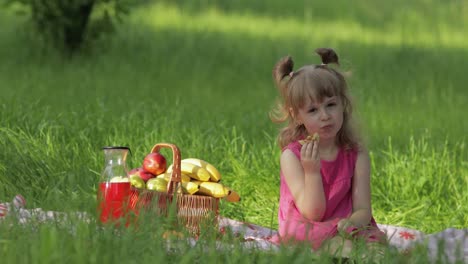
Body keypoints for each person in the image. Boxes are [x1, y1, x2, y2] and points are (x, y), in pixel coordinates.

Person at [268, 48, 386, 255]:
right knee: (309, 236)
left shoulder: (356, 154)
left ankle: (351, 251)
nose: (325, 116)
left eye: (331, 105)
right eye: (313, 110)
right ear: (297, 116)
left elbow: (363, 210)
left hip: (346, 225)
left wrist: (349, 225)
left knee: (373, 240)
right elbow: (313, 213)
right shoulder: (292, 157)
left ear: (343, 105)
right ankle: (338, 251)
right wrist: (312, 171)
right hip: (307, 225)